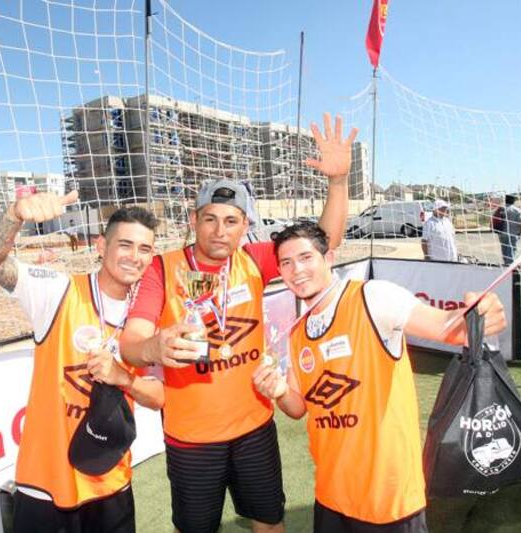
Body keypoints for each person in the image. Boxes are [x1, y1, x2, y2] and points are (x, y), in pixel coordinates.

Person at [119, 113, 358, 533]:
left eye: (231, 221)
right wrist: (153, 347)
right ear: (193, 220)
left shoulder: (253, 259)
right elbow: (131, 341)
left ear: (245, 226)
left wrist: (338, 182)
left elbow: (325, 242)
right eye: (210, 219)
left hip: (254, 430)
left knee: (269, 522)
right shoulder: (162, 268)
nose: (219, 231)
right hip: (191, 439)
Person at [253, 222, 507, 533]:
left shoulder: (373, 297)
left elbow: (447, 327)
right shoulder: (298, 333)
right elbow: (297, 408)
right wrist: (279, 390)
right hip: (331, 494)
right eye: (286, 262)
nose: (297, 270)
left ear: (328, 258)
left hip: (388, 499)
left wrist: (479, 317)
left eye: (306, 257)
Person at [0, 191, 164, 533]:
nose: (135, 257)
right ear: (101, 246)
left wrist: (124, 378)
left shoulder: (148, 317)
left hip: (110, 479)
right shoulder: (58, 292)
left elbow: (159, 397)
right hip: (45, 483)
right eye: (125, 245)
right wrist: (15, 214)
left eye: (144, 249)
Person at [492, 195, 521, 265]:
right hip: (513, 233)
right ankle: (510, 265)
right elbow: (520, 223)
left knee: (504, 249)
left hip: (501, 232)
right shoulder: (517, 210)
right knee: (511, 250)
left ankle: (506, 263)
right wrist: (520, 233)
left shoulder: (500, 209)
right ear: (513, 201)